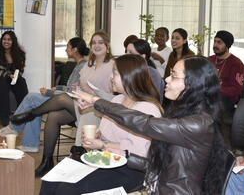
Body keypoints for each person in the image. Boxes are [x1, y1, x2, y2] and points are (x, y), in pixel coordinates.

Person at [75, 56, 227, 195]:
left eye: (174, 76)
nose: (166, 79)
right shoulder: (182, 113)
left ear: (193, 84)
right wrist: (127, 156)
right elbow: (161, 165)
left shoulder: (198, 124)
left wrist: (96, 101)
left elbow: (145, 124)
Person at [39, 54, 162, 195]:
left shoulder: (148, 108)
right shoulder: (117, 100)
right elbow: (104, 130)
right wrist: (96, 136)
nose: (111, 77)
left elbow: (138, 151)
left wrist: (103, 145)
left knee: (67, 190)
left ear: (129, 75)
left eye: (115, 72)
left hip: (130, 169)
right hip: (105, 160)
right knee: (51, 179)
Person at [11, 31, 114, 177]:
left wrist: (91, 91)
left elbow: (115, 96)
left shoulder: (112, 65)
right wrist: (77, 87)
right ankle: (47, 162)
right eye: (94, 43)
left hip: (99, 110)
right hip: (81, 105)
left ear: (107, 45)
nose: (97, 45)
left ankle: (32, 114)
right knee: (54, 116)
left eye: (100, 42)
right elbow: (81, 85)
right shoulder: (88, 65)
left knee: (62, 98)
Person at [0, 37, 89, 152]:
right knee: (33, 103)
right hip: (65, 98)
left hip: (70, 103)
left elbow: (73, 92)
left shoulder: (82, 66)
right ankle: (29, 144)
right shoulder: (78, 65)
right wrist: (57, 88)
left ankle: (14, 127)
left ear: (75, 49)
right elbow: (71, 87)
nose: (65, 50)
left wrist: (50, 92)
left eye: (67, 47)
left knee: (31, 98)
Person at [0, 31, 28, 126]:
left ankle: (23, 114)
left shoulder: (20, 53)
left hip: (11, 77)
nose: (6, 41)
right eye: (4, 39)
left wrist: (16, 76)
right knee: (2, 83)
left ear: (13, 41)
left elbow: (20, 70)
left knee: (22, 81)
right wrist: (7, 74)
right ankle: (5, 117)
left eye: (9, 39)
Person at [208, 30, 244, 115]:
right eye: (214, 41)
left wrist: (215, 89)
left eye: (219, 42)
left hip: (226, 100)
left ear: (227, 45)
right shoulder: (210, 59)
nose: (215, 45)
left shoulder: (236, 64)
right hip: (208, 96)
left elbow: (236, 90)